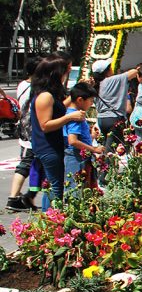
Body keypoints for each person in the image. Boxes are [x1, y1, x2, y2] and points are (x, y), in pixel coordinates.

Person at [30, 55, 85, 205]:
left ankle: (50, 221)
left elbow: (59, 108)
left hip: (51, 146)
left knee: (53, 185)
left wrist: (76, 92)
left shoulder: (49, 94)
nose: (66, 76)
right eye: (65, 72)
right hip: (47, 147)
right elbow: (45, 125)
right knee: (55, 188)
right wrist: (70, 117)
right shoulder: (45, 96)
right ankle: (51, 221)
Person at [7, 56, 41, 211]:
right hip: (31, 132)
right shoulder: (35, 87)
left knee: (35, 166)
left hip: (25, 130)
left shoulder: (22, 85)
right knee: (26, 165)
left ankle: (27, 196)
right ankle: (13, 198)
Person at [64, 83, 105, 196]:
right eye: (90, 101)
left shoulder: (72, 113)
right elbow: (73, 140)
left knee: (82, 190)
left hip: (78, 156)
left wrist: (91, 136)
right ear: (80, 100)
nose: (92, 104)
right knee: (75, 192)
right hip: (76, 158)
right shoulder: (76, 117)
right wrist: (94, 149)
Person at [94, 59, 142, 151]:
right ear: (107, 71)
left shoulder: (96, 84)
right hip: (114, 119)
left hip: (101, 119)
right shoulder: (112, 80)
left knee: (105, 147)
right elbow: (131, 73)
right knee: (112, 151)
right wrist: (138, 69)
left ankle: (103, 164)